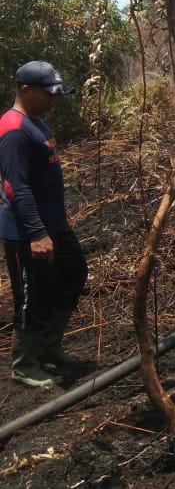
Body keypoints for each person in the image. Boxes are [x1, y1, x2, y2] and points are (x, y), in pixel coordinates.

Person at [0, 61, 89, 387]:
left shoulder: (37, 123)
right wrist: (37, 233)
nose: (55, 101)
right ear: (26, 90)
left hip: (54, 226)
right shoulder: (13, 129)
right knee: (31, 295)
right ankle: (24, 364)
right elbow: (15, 187)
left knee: (73, 273)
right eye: (49, 94)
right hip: (27, 233)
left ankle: (49, 348)